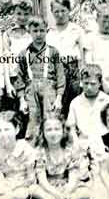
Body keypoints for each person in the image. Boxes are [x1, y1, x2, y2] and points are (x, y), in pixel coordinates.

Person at [14, 16, 65, 146]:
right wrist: (21, 100)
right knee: (33, 120)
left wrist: (59, 98)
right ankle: (33, 152)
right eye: (35, 31)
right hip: (31, 90)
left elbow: (60, 75)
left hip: (49, 89)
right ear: (29, 31)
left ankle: (52, 147)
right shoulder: (23, 54)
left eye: (42, 30)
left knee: (51, 118)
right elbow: (19, 78)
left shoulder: (53, 52)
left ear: (46, 31)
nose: (39, 34)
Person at [46, 0, 86, 117]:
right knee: (58, 108)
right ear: (52, 12)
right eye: (56, 11)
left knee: (75, 106)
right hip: (56, 73)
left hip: (73, 72)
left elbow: (83, 56)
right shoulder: (49, 32)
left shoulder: (77, 30)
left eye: (63, 11)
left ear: (69, 10)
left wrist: (82, 75)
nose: (60, 14)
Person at [34, 115, 92, 199]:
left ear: (63, 131)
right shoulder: (40, 152)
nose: (53, 133)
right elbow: (42, 180)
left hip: (67, 185)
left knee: (85, 192)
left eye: (57, 129)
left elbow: (73, 176)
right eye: (49, 130)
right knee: (34, 190)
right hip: (48, 188)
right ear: (43, 132)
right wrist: (55, 193)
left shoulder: (69, 150)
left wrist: (67, 191)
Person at [0, 110, 38, 199]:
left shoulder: (25, 150)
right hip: (5, 186)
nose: (3, 134)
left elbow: (31, 178)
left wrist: (14, 190)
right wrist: (4, 191)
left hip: (23, 186)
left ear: (17, 129)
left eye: (7, 129)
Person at [83, 4, 109, 100]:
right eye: (104, 21)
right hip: (96, 84)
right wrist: (101, 82)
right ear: (97, 19)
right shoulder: (90, 38)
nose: (107, 25)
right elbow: (89, 63)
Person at [1, 0, 34, 112]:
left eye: (26, 14)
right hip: (13, 78)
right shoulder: (8, 34)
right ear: (13, 13)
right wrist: (8, 84)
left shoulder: (33, 33)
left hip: (30, 78)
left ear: (30, 14)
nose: (22, 17)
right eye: (19, 13)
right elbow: (5, 61)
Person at [66, 64, 109, 146]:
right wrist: (76, 143)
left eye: (93, 84)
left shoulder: (107, 101)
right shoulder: (75, 102)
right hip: (83, 144)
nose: (89, 87)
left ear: (100, 83)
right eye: (86, 83)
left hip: (105, 144)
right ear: (81, 82)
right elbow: (71, 128)